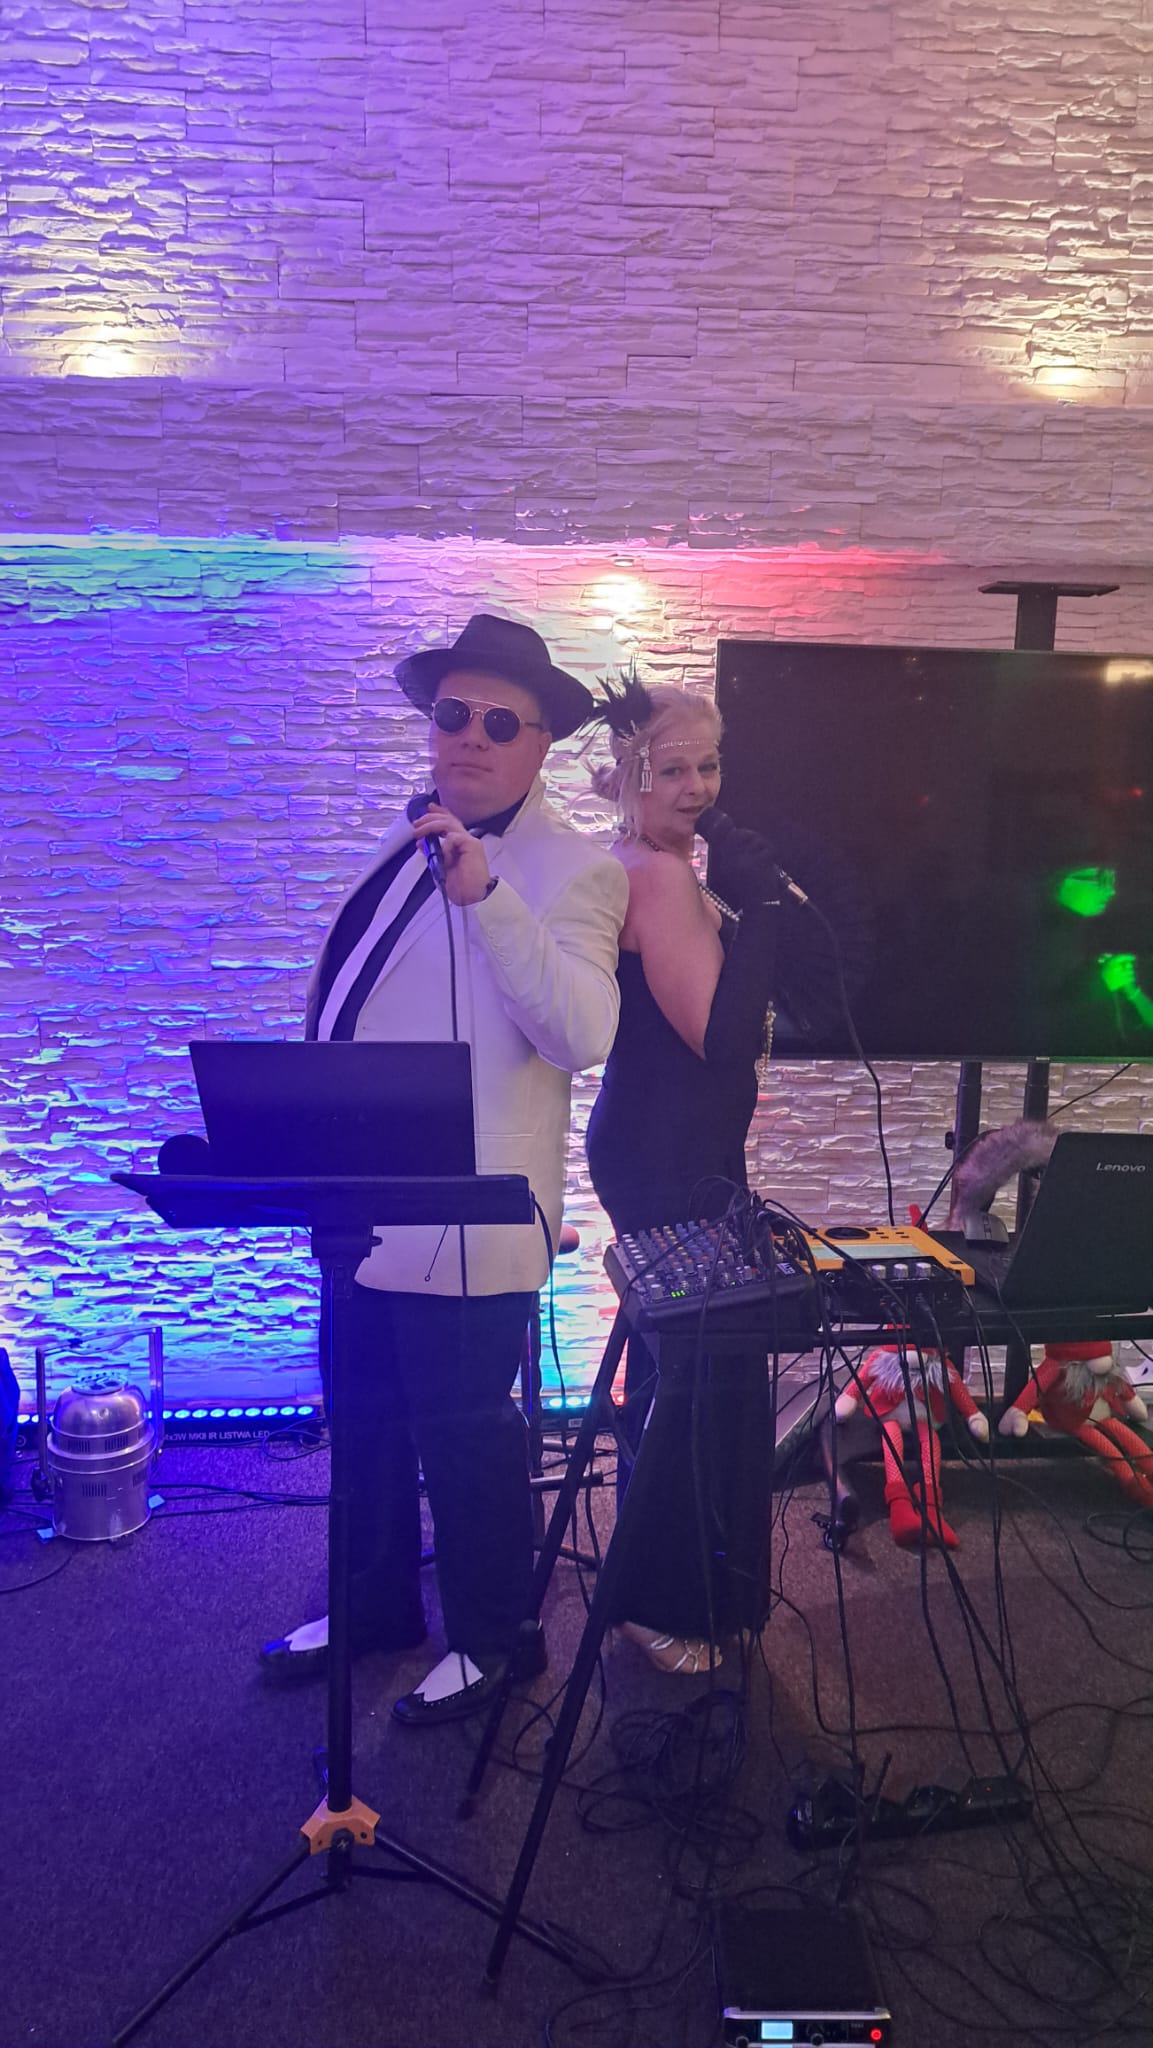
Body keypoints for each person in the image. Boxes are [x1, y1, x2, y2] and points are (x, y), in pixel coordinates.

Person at [261, 613, 628, 1725]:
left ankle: (496, 1638)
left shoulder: (575, 871)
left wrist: (489, 899)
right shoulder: (406, 836)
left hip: (473, 1220)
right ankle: (374, 1604)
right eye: (452, 714)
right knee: (365, 1419)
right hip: (362, 1207)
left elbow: (581, 1032)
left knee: (465, 1437)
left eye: (498, 722)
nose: (468, 736)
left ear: (541, 743)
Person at [586, 679, 782, 1674]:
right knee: (705, 1374)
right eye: (671, 769)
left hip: (675, 1148)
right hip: (667, 1154)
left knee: (693, 1370)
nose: (697, 786)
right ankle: (658, 1605)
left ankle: (687, 1593)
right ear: (630, 776)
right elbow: (720, 1039)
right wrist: (767, 911)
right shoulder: (658, 878)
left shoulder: (656, 864)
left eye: (708, 764)